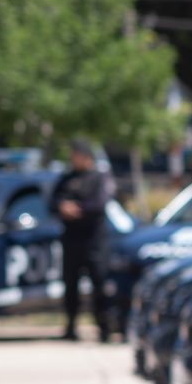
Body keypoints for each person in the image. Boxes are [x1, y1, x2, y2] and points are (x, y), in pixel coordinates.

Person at [49, 143, 117, 341]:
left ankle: (104, 328)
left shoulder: (98, 178)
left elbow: (100, 204)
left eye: (77, 155)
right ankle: (70, 327)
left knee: (99, 285)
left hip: (93, 240)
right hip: (71, 240)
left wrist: (78, 209)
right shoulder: (66, 178)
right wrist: (62, 207)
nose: (74, 159)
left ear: (87, 157)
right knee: (70, 286)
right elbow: (52, 202)